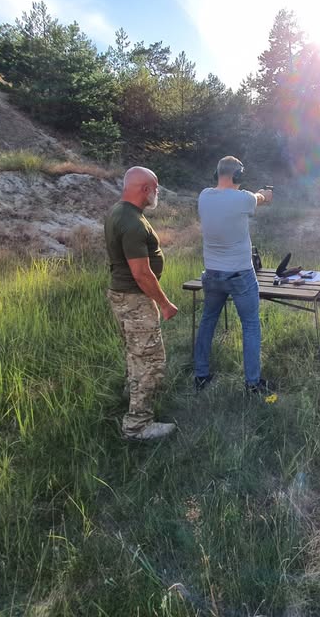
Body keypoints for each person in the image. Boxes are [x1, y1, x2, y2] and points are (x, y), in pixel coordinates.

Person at [104, 166, 179, 441]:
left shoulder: (118, 212)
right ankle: (137, 425)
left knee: (135, 352)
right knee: (150, 360)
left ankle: (131, 392)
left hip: (121, 295)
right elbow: (141, 272)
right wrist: (165, 303)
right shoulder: (133, 223)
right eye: (155, 188)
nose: (157, 192)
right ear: (145, 189)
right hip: (135, 299)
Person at [194, 155, 273, 394]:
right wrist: (264, 194)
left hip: (212, 274)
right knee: (250, 325)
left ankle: (201, 375)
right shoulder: (244, 198)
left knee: (208, 321)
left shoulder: (204, 196)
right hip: (240, 275)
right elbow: (260, 198)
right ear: (238, 176)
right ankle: (252, 383)